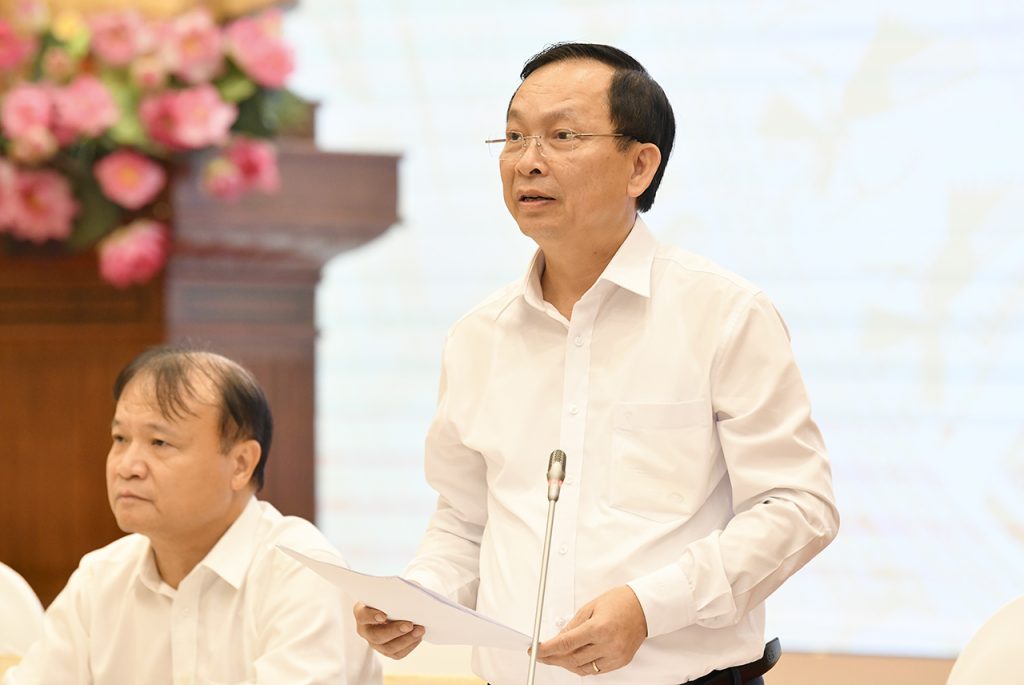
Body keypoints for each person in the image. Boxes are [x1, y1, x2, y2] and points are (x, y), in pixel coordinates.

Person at [354, 42, 839, 685]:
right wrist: (420, 596)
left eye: (562, 136)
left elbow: (797, 507)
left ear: (639, 166)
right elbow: (467, 521)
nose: (528, 161)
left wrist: (649, 608)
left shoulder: (724, 313)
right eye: (514, 137)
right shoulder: (478, 336)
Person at [4, 346, 381, 685]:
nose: (127, 466)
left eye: (159, 442)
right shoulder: (101, 578)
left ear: (241, 464)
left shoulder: (301, 572)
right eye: (120, 439)